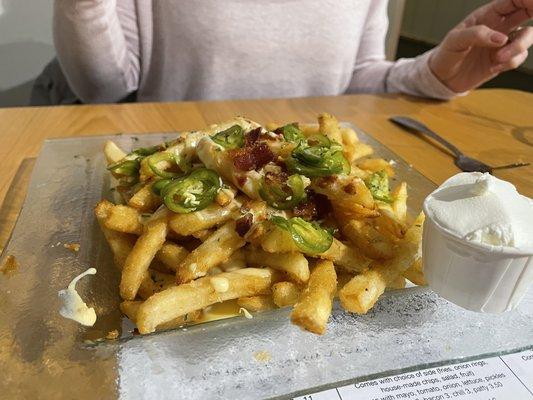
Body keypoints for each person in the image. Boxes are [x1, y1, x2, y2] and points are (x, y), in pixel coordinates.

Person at [32, 0, 533, 105]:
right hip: (177, 177)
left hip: (310, 189)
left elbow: (358, 77)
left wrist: (435, 73)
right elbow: (107, 88)